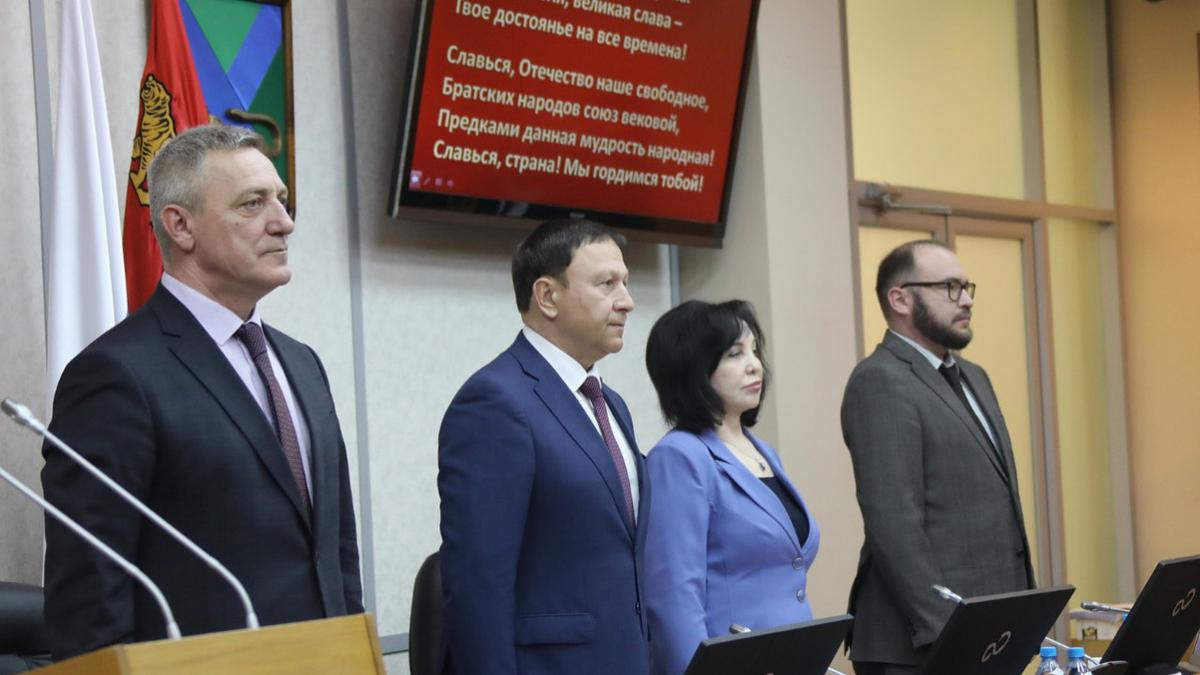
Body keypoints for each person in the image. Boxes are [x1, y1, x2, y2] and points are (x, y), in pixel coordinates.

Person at [41, 125, 362, 659]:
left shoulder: (302, 364)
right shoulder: (115, 375)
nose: (284, 222)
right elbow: (89, 598)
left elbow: (335, 549)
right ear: (181, 225)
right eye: (252, 204)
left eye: (281, 199)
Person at [438, 218, 650, 675]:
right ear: (547, 296)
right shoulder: (495, 401)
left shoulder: (610, 403)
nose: (627, 301)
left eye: (626, 282)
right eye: (607, 284)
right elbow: (478, 584)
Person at [840, 240, 1034, 675]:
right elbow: (894, 521)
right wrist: (947, 631)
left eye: (967, 287)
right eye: (949, 287)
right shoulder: (880, 380)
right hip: (923, 645)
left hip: (989, 632)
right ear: (900, 299)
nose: (966, 300)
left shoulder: (974, 377)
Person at [642, 299, 820, 675]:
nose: (754, 364)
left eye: (754, 350)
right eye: (735, 354)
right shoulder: (680, 456)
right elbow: (674, 597)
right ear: (692, 368)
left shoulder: (764, 452)